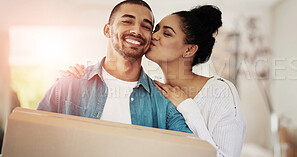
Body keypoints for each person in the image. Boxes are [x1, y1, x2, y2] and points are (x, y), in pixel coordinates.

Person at [66, 5, 246, 157]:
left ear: (189, 50)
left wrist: (187, 106)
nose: (154, 36)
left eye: (166, 33)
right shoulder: (153, 89)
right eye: (156, 29)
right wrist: (77, 79)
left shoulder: (220, 91)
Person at [37, 0, 192, 133]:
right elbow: (33, 138)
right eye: (127, 21)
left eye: (146, 26)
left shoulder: (164, 102)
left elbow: (192, 150)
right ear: (107, 30)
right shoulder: (68, 84)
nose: (136, 30)